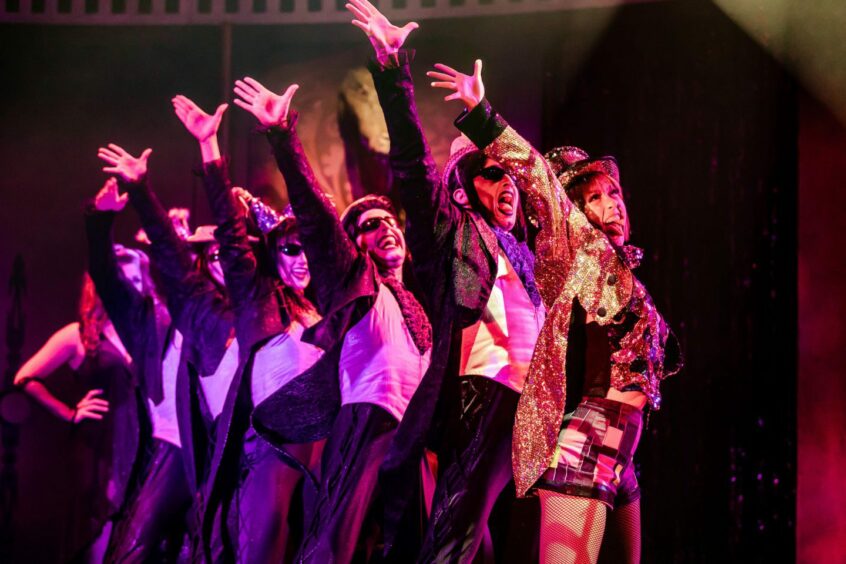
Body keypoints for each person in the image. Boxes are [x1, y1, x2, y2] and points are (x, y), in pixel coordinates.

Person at [427, 61, 683, 563]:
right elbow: (539, 179)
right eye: (593, 198)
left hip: (620, 462)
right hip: (586, 449)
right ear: (572, 213)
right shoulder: (580, 250)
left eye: (614, 194)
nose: (612, 204)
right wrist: (482, 114)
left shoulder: (620, 273)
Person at [344, 3, 546, 561]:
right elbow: (411, 163)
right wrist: (391, 68)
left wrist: (488, 117)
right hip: (483, 391)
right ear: (461, 188)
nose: (508, 186)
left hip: (533, 410)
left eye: (511, 178)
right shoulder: (453, 234)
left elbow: (542, 182)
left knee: (480, 542)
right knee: (456, 537)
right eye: (491, 174)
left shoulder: (527, 256)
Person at [233, 75, 432, 564]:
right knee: (332, 547)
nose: (383, 228)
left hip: (414, 435)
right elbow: (317, 217)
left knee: (421, 548)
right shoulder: (357, 284)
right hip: (366, 418)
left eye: (387, 220)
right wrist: (282, 136)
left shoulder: (419, 304)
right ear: (352, 248)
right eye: (366, 226)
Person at [171, 94, 325, 563]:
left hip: (320, 448)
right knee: (258, 548)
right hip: (270, 444)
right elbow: (232, 237)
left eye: (308, 251)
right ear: (273, 255)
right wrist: (209, 147)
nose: (302, 261)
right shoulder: (260, 297)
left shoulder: (319, 311)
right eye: (291, 250)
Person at [89, 147, 239, 562]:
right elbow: (107, 279)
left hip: (224, 458)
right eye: (206, 255)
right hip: (170, 449)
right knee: (133, 551)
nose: (217, 262)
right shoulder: (152, 321)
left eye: (224, 254)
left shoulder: (245, 318)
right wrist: (101, 222)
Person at [14, 268, 145, 563]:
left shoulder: (135, 330)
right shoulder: (77, 334)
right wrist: (69, 412)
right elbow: (25, 378)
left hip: (134, 440)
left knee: (128, 526)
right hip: (97, 443)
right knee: (96, 523)